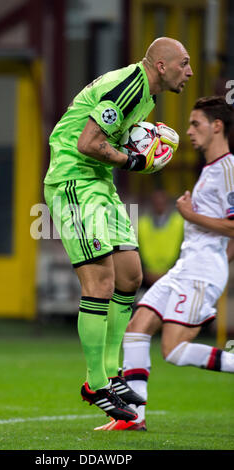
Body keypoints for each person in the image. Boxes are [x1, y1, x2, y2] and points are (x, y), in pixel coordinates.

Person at [44, 37, 193, 421]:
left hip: (99, 182)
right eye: (184, 64)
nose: (190, 72)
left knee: (130, 276)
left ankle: (111, 373)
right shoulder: (129, 87)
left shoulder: (147, 96)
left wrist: (139, 148)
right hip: (74, 180)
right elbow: (88, 142)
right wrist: (134, 161)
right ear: (161, 66)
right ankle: (95, 384)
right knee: (100, 284)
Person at [95, 96, 234, 431]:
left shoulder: (229, 170)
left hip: (200, 274)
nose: (188, 131)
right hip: (185, 268)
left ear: (217, 126)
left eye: (195, 124)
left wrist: (190, 214)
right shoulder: (211, 170)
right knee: (136, 328)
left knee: (173, 350)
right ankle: (133, 418)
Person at [138, 189, 183, 288]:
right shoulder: (142, 224)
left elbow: (184, 249)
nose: (159, 205)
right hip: (147, 277)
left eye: (162, 203)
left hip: (173, 275)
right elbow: (136, 251)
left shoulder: (179, 222)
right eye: (156, 203)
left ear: (167, 203)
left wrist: (170, 272)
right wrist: (145, 273)